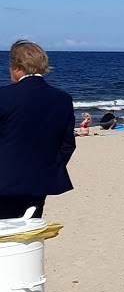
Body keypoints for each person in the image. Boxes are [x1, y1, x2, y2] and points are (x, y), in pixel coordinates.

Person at [0, 40, 77, 220]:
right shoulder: (62, 99)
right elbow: (67, 145)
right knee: (28, 237)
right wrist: (47, 167)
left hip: (3, 184)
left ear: (18, 67)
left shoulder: (3, 96)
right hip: (39, 182)